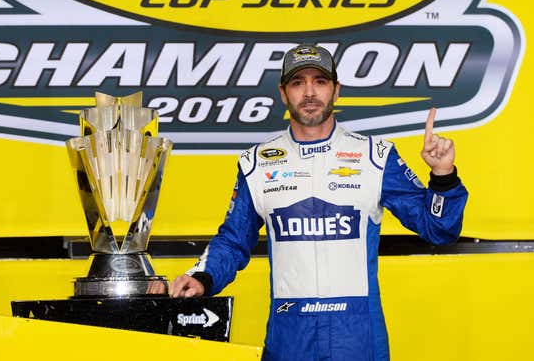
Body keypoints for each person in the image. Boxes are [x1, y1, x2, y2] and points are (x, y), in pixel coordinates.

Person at [169, 44, 468, 361]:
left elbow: (439, 229)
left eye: (320, 81)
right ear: (283, 93)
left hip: (357, 337)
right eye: (298, 82)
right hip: (289, 337)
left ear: (336, 90)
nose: (309, 92)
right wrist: (202, 278)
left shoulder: (376, 157)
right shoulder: (255, 163)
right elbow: (233, 239)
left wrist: (443, 175)